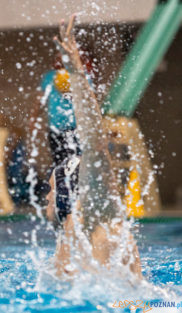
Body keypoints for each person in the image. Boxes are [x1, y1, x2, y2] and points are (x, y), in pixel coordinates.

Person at [45, 16, 142, 279]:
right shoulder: (71, 232)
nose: (46, 197)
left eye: (52, 189)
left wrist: (76, 72)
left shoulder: (98, 222)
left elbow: (95, 144)